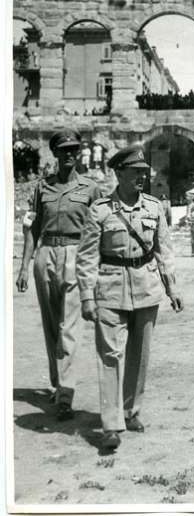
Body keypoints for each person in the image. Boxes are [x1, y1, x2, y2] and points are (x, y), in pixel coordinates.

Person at [76, 145, 183, 450]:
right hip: (109, 289)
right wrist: (87, 296)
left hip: (146, 288)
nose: (141, 177)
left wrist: (172, 288)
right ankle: (111, 425)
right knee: (110, 356)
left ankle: (130, 411)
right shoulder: (100, 210)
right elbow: (87, 257)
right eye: (135, 172)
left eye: (143, 172)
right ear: (118, 173)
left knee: (139, 354)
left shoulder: (154, 207)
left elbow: (164, 251)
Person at [15, 128, 101, 420]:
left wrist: (98, 265)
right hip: (46, 255)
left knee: (69, 328)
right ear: (55, 153)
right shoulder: (43, 188)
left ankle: (65, 394)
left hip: (77, 256)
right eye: (64, 150)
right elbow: (33, 228)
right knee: (51, 326)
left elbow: (99, 229)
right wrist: (24, 266)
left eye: (73, 149)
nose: (69, 154)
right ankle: (57, 383)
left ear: (79, 153)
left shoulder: (91, 188)